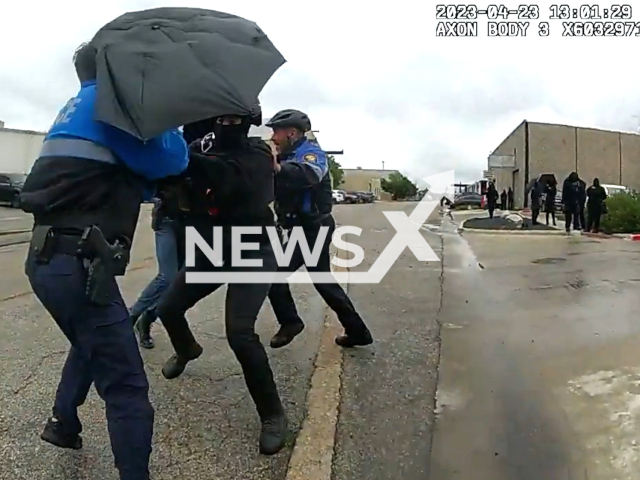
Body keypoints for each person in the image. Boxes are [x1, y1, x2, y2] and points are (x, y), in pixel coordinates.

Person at [19, 43, 189, 480]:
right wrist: (167, 117)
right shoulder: (113, 107)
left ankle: (63, 423)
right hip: (78, 264)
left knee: (90, 340)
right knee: (127, 387)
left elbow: (118, 176)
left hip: (47, 259)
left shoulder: (75, 107)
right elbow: (172, 159)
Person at [156, 106, 289, 455]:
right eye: (221, 120)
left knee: (240, 334)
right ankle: (187, 348)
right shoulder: (200, 146)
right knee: (167, 308)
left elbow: (233, 179)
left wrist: (187, 162)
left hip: (255, 249)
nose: (226, 126)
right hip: (212, 251)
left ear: (248, 123)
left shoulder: (258, 153)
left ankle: (272, 415)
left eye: (234, 121)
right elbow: (171, 181)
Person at [264, 109, 373, 350]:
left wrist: (277, 167)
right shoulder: (284, 154)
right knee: (323, 281)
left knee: (273, 274)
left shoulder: (311, 154)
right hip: (302, 228)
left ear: (292, 132)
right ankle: (357, 331)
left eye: (276, 131)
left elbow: (309, 174)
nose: (273, 136)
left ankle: (290, 322)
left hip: (312, 228)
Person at [129, 189, 187, 349]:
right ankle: (132, 315)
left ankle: (147, 320)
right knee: (167, 276)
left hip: (191, 223)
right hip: (166, 221)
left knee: (179, 282)